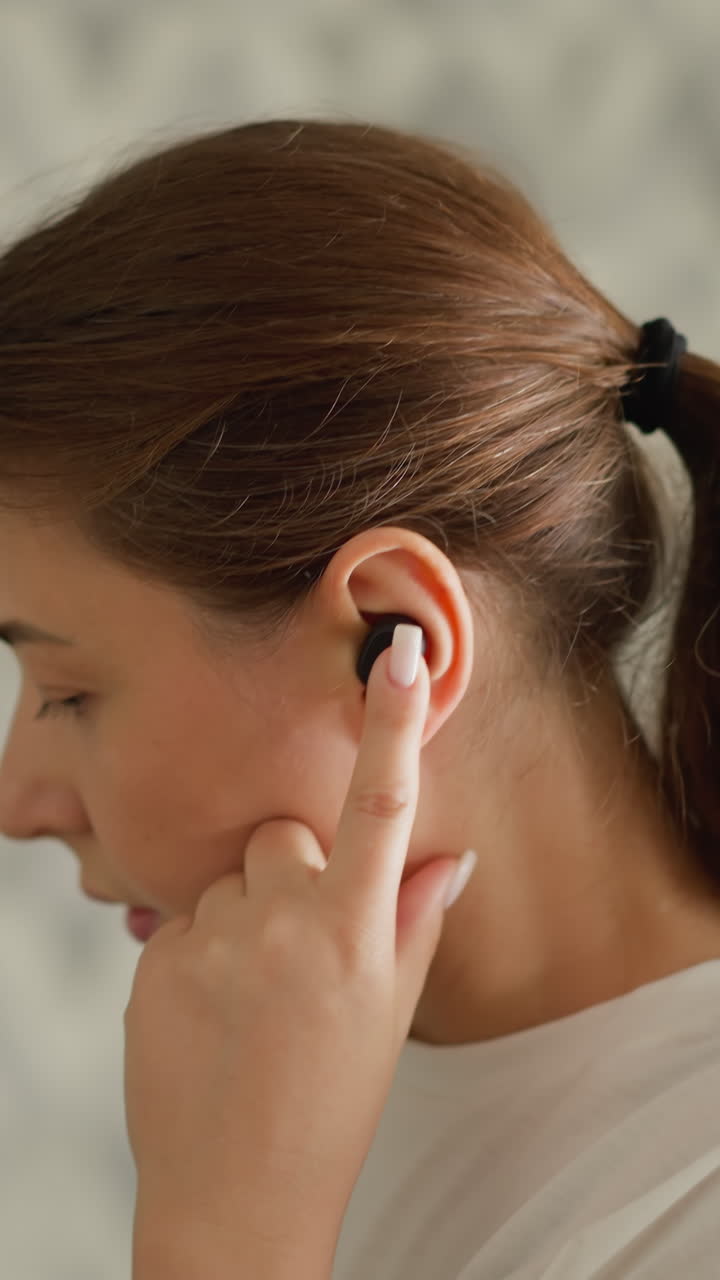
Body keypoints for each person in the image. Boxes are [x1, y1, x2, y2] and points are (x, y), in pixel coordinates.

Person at [0, 118, 719, 1279]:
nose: (19, 801)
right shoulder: (278, 1067)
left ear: (399, 642)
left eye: (72, 691)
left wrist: (228, 1240)